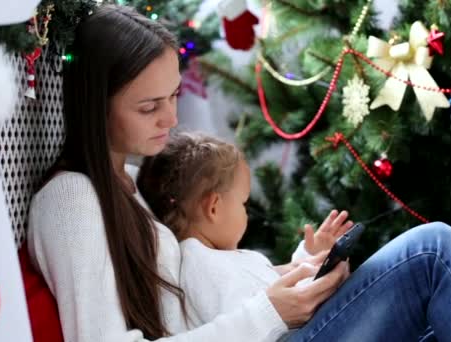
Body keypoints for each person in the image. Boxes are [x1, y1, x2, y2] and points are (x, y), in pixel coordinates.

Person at [26, 4, 451, 342]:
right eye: (148, 107)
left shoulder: (128, 186)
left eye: (174, 96)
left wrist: (291, 278)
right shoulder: (72, 200)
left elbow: (201, 295)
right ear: (96, 104)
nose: (171, 119)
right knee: (431, 251)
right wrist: (270, 312)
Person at [136, 132, 354, 333]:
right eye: (244, 203)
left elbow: (270, 289)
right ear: (214, 207)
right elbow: (273, 325)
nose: (247, 214)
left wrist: (308, 258)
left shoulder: (217, 258)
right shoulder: (202, 264)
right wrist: (317, 282)